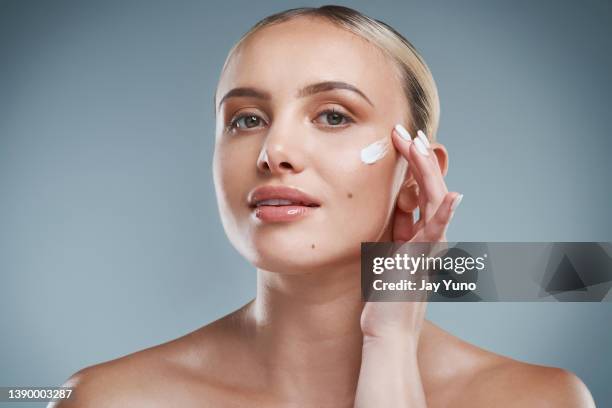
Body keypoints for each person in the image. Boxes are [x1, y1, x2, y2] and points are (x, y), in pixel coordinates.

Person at [52, 5, 595, 407]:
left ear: (413, 175)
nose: (274, 152)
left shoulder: (539, 399)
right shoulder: (107, 398)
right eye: (245, 119)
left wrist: (390, 344)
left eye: (333, 116)